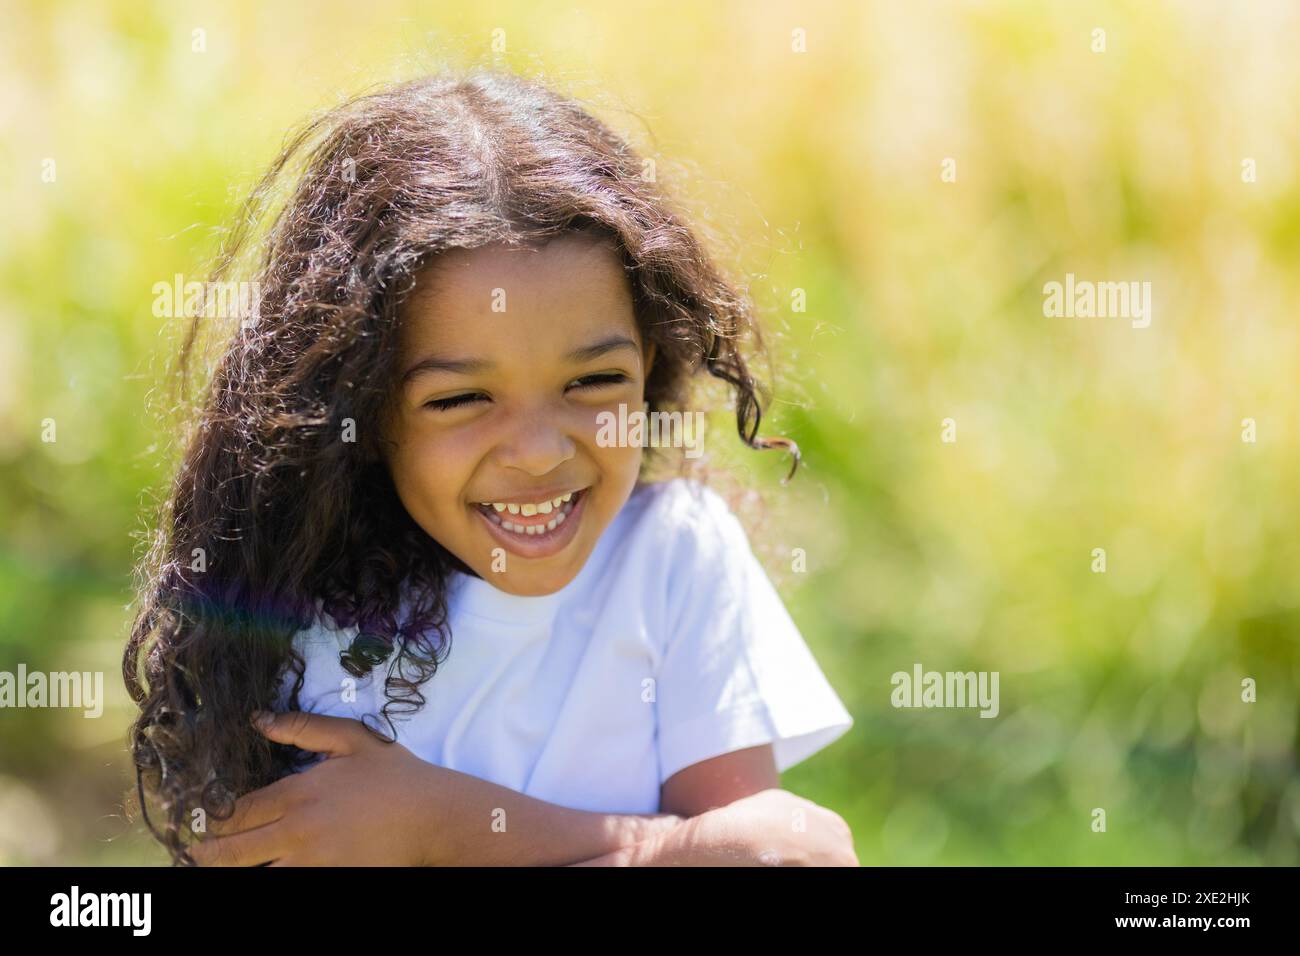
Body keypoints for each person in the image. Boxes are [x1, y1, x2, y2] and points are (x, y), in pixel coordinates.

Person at [124, 68, 856, 866]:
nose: (540, 451)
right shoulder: (295, 612)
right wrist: (668, 850)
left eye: (592, 382)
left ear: (649, 363)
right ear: (363, 413)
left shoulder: (674, 557)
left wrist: (439, 828)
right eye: (461, 399)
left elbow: (767, 857)